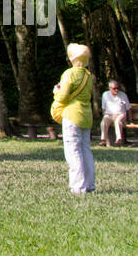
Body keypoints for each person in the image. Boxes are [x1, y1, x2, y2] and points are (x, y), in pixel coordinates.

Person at [54, 42, 95, 195]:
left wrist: (56, 92)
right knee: (86, 150)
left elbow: (63, 97)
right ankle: (90, 184)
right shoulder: (88, 75)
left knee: (73, 150)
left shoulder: (69, 74)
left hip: (72, 115)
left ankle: (78, 186)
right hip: (86, 116)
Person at [100, 79, 132, 147]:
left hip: (120, 114)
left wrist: (130, 120)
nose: (116, 90)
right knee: (103, 122)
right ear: (110, 88)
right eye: (114, 88)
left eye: (117, 88)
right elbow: (103, 108)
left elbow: (129, 108)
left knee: (118, 121)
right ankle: (104, 140)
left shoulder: (123, 95)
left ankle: (118, 139)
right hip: (109, 114)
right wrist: (104, 116)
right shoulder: (105, 94)